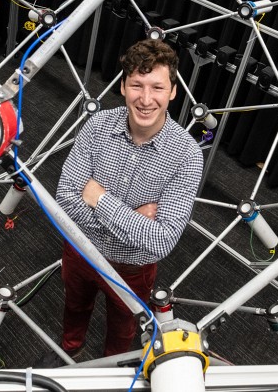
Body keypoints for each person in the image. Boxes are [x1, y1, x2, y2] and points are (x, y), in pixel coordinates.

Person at [53, 39, 203, 359]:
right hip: (80, 250)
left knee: (123, 324)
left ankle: (112, 367)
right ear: (123, 86)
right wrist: (134, 217)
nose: (146, 99)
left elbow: (161, 241)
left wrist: (99, 197)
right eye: (137, 85)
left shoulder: (187, 155)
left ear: (173, 91)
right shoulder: (96, 126)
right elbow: (64, 197)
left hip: (132, 267)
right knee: (74, 305)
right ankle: (69, 352)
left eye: (157, 87)